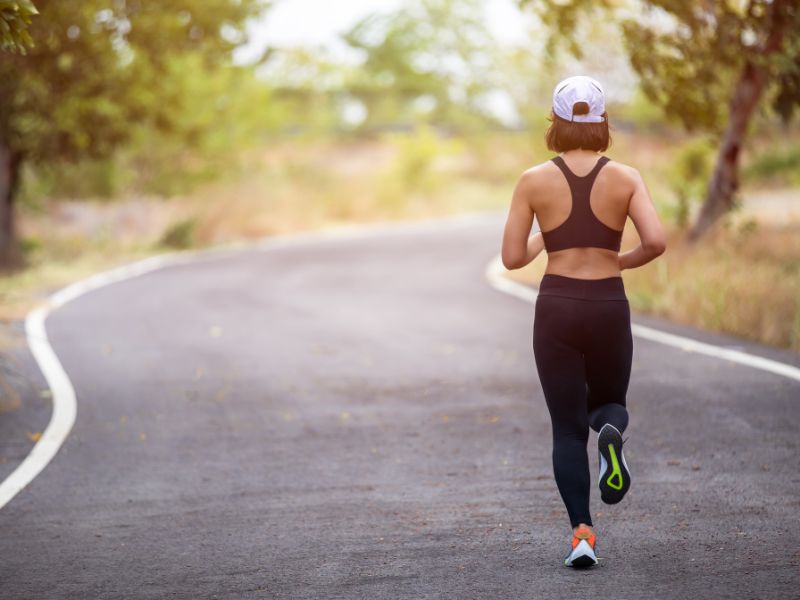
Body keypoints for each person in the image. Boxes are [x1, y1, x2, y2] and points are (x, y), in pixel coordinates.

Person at [500, 75, 667, 568]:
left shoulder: (533, 180)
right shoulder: (626, 177)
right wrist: (620, 261)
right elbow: (655, 241)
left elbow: (511, 258)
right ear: (602, 122)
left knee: (567, 430)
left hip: (556, 306)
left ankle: (582, 535)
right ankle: (611, 437)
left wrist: (549, 238)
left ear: (555, 123)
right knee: (609, 403)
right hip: (607, 304)